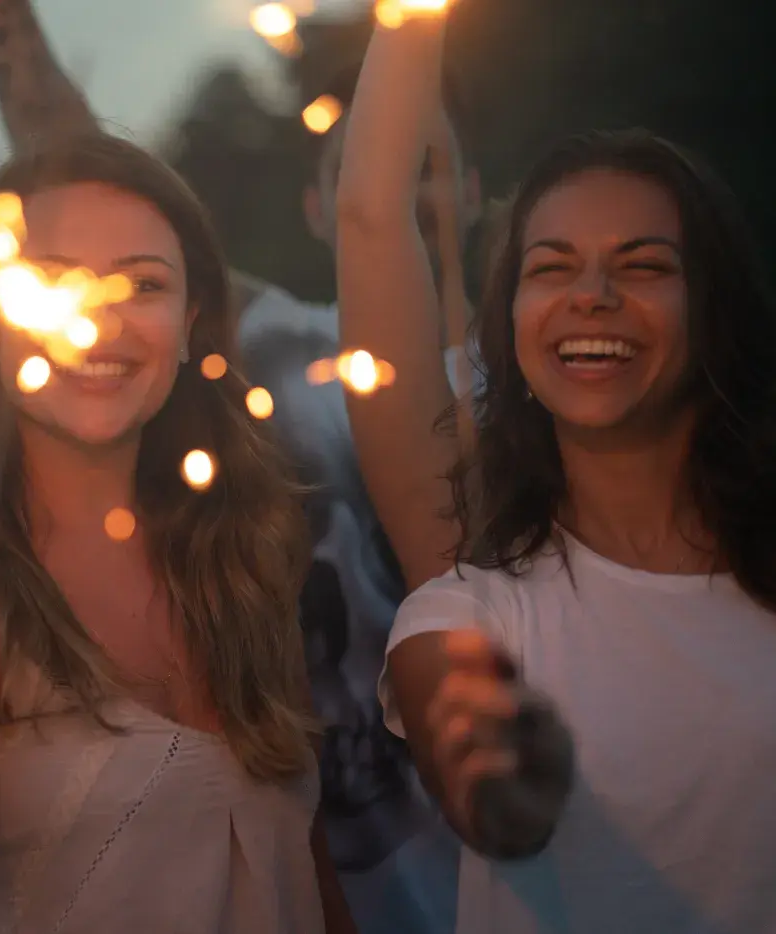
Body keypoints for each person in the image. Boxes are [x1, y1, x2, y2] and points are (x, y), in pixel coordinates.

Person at [0, 1, 468, 930]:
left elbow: (304, 872)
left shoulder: (245, 559)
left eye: (142, 283)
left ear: (191, 326)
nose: (96, 319)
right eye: (52, 280)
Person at [337, 9, 776, 933]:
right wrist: (495, 769)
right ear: (510, 326)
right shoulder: (474, 597)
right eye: (551, 267)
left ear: (716, 308)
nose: (592, 295)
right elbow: (373, 216)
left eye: (643, 265)